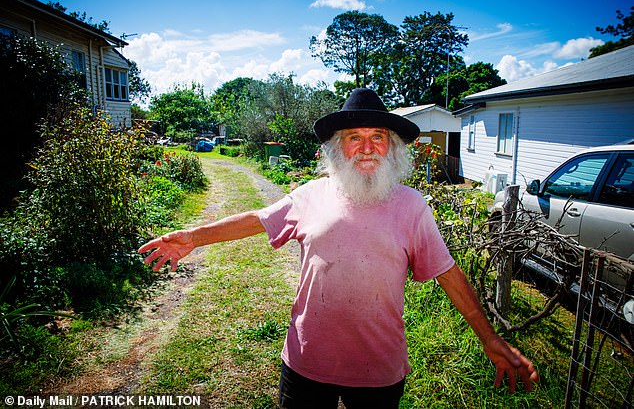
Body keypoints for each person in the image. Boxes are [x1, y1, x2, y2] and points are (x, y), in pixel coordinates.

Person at [139, 88, 539, 408]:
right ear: (336, 149)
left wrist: (490, 338)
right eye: (354, 138)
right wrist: (194, 237)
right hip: (306, 361)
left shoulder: (411, 207)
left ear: (392, 148)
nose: (366, 147)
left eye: (377, 137)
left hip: (379, 369)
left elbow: (448, 274)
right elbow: (258, 219)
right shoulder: (309, 195)